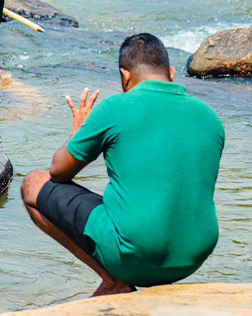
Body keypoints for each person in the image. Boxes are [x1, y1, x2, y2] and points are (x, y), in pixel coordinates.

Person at [21, 34, 225, 296]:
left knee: (33, 184)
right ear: (171, 73)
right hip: (193, 256)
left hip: (138, 254)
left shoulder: (115, 108)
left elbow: (58, 172)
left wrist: (78, 133)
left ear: (124, 76)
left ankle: (113, 281)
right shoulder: (211, 117)